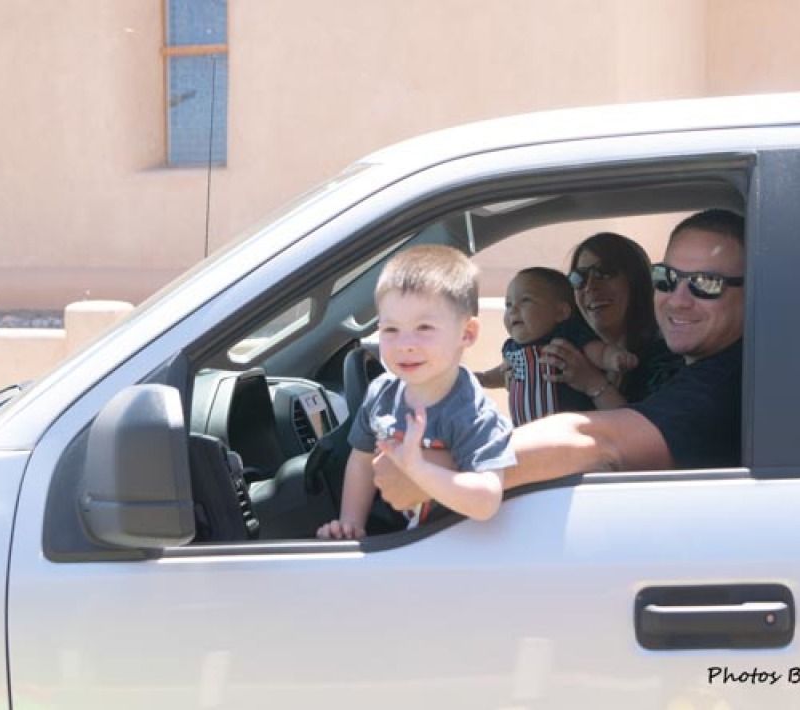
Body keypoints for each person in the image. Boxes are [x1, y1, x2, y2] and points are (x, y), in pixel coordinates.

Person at [373, 209, 746, 510]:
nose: (678, 299)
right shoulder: (680, 361)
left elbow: (598, 439)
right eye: (667, 278)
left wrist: (436, 468)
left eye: (706, 283)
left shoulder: (725, 384)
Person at [316, 244, 517, 540]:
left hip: (453, 551)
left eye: (424, 327)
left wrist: (417, 469)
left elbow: (487, 500)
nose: (405, 344)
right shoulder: (382, 393)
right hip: (403, 546)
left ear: (467, 333)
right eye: (390, 330)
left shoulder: (472, 413)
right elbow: (360, 460)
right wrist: (350, 524)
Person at [476, 267, 636, 425]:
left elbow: (598, 352)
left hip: (573, 432)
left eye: (525, 300)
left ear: (561, 312)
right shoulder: (512, 347)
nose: (513, 310)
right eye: (509, 304)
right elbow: (503, 372)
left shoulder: (567, 337)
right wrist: (484, 379)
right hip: (526, 432)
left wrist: (614, 358)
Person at [541, 232, 682, 409]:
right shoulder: (572, 351)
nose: (591, 286)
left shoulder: (667, 363)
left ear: (636, 281)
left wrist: (593, 384)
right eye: (579, 277)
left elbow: (646, 433)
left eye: (605, 273)